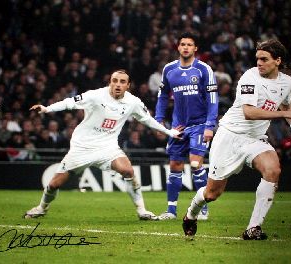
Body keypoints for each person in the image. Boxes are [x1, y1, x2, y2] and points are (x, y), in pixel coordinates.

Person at [182, 39, 291, 240]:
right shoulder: (249, 77)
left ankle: (253, 228)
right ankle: (191, 213)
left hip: (255, 139)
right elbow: (249, 112)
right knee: (213, 193)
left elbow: (285, 105)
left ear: (278, 61)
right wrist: (286, 114)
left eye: (264, 59)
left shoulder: (287, 82)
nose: (259, 63)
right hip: (230, 135)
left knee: (273, 169)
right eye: (257, 58)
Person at [24, 70, 183, 220]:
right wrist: (47, 109)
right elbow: (70, 102)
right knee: (53, 185)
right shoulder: (95, 96)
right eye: (115, 81)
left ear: (128, 86)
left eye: (122, 82)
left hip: (108, 147)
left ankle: (142, 210)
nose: (118, 84)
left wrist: (169, 132)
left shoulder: (133, 102)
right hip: (82, 147)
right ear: (110, 83)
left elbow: (148, 120)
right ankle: (41, 208)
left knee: (128, 171)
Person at [154, 32, 218, 220]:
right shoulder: (169, 69)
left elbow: (212, 99)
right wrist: (159, 120)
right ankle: (171, 211)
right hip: (178, 126)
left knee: (196, 163)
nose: (186, 47)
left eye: (190, 44)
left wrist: (210, 125)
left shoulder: (203, 69)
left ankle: (203, 209)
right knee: (175, 165)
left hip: (199, 124)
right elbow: (163, 95)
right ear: (178, 47)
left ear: (195, 48)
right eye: (183, 44)